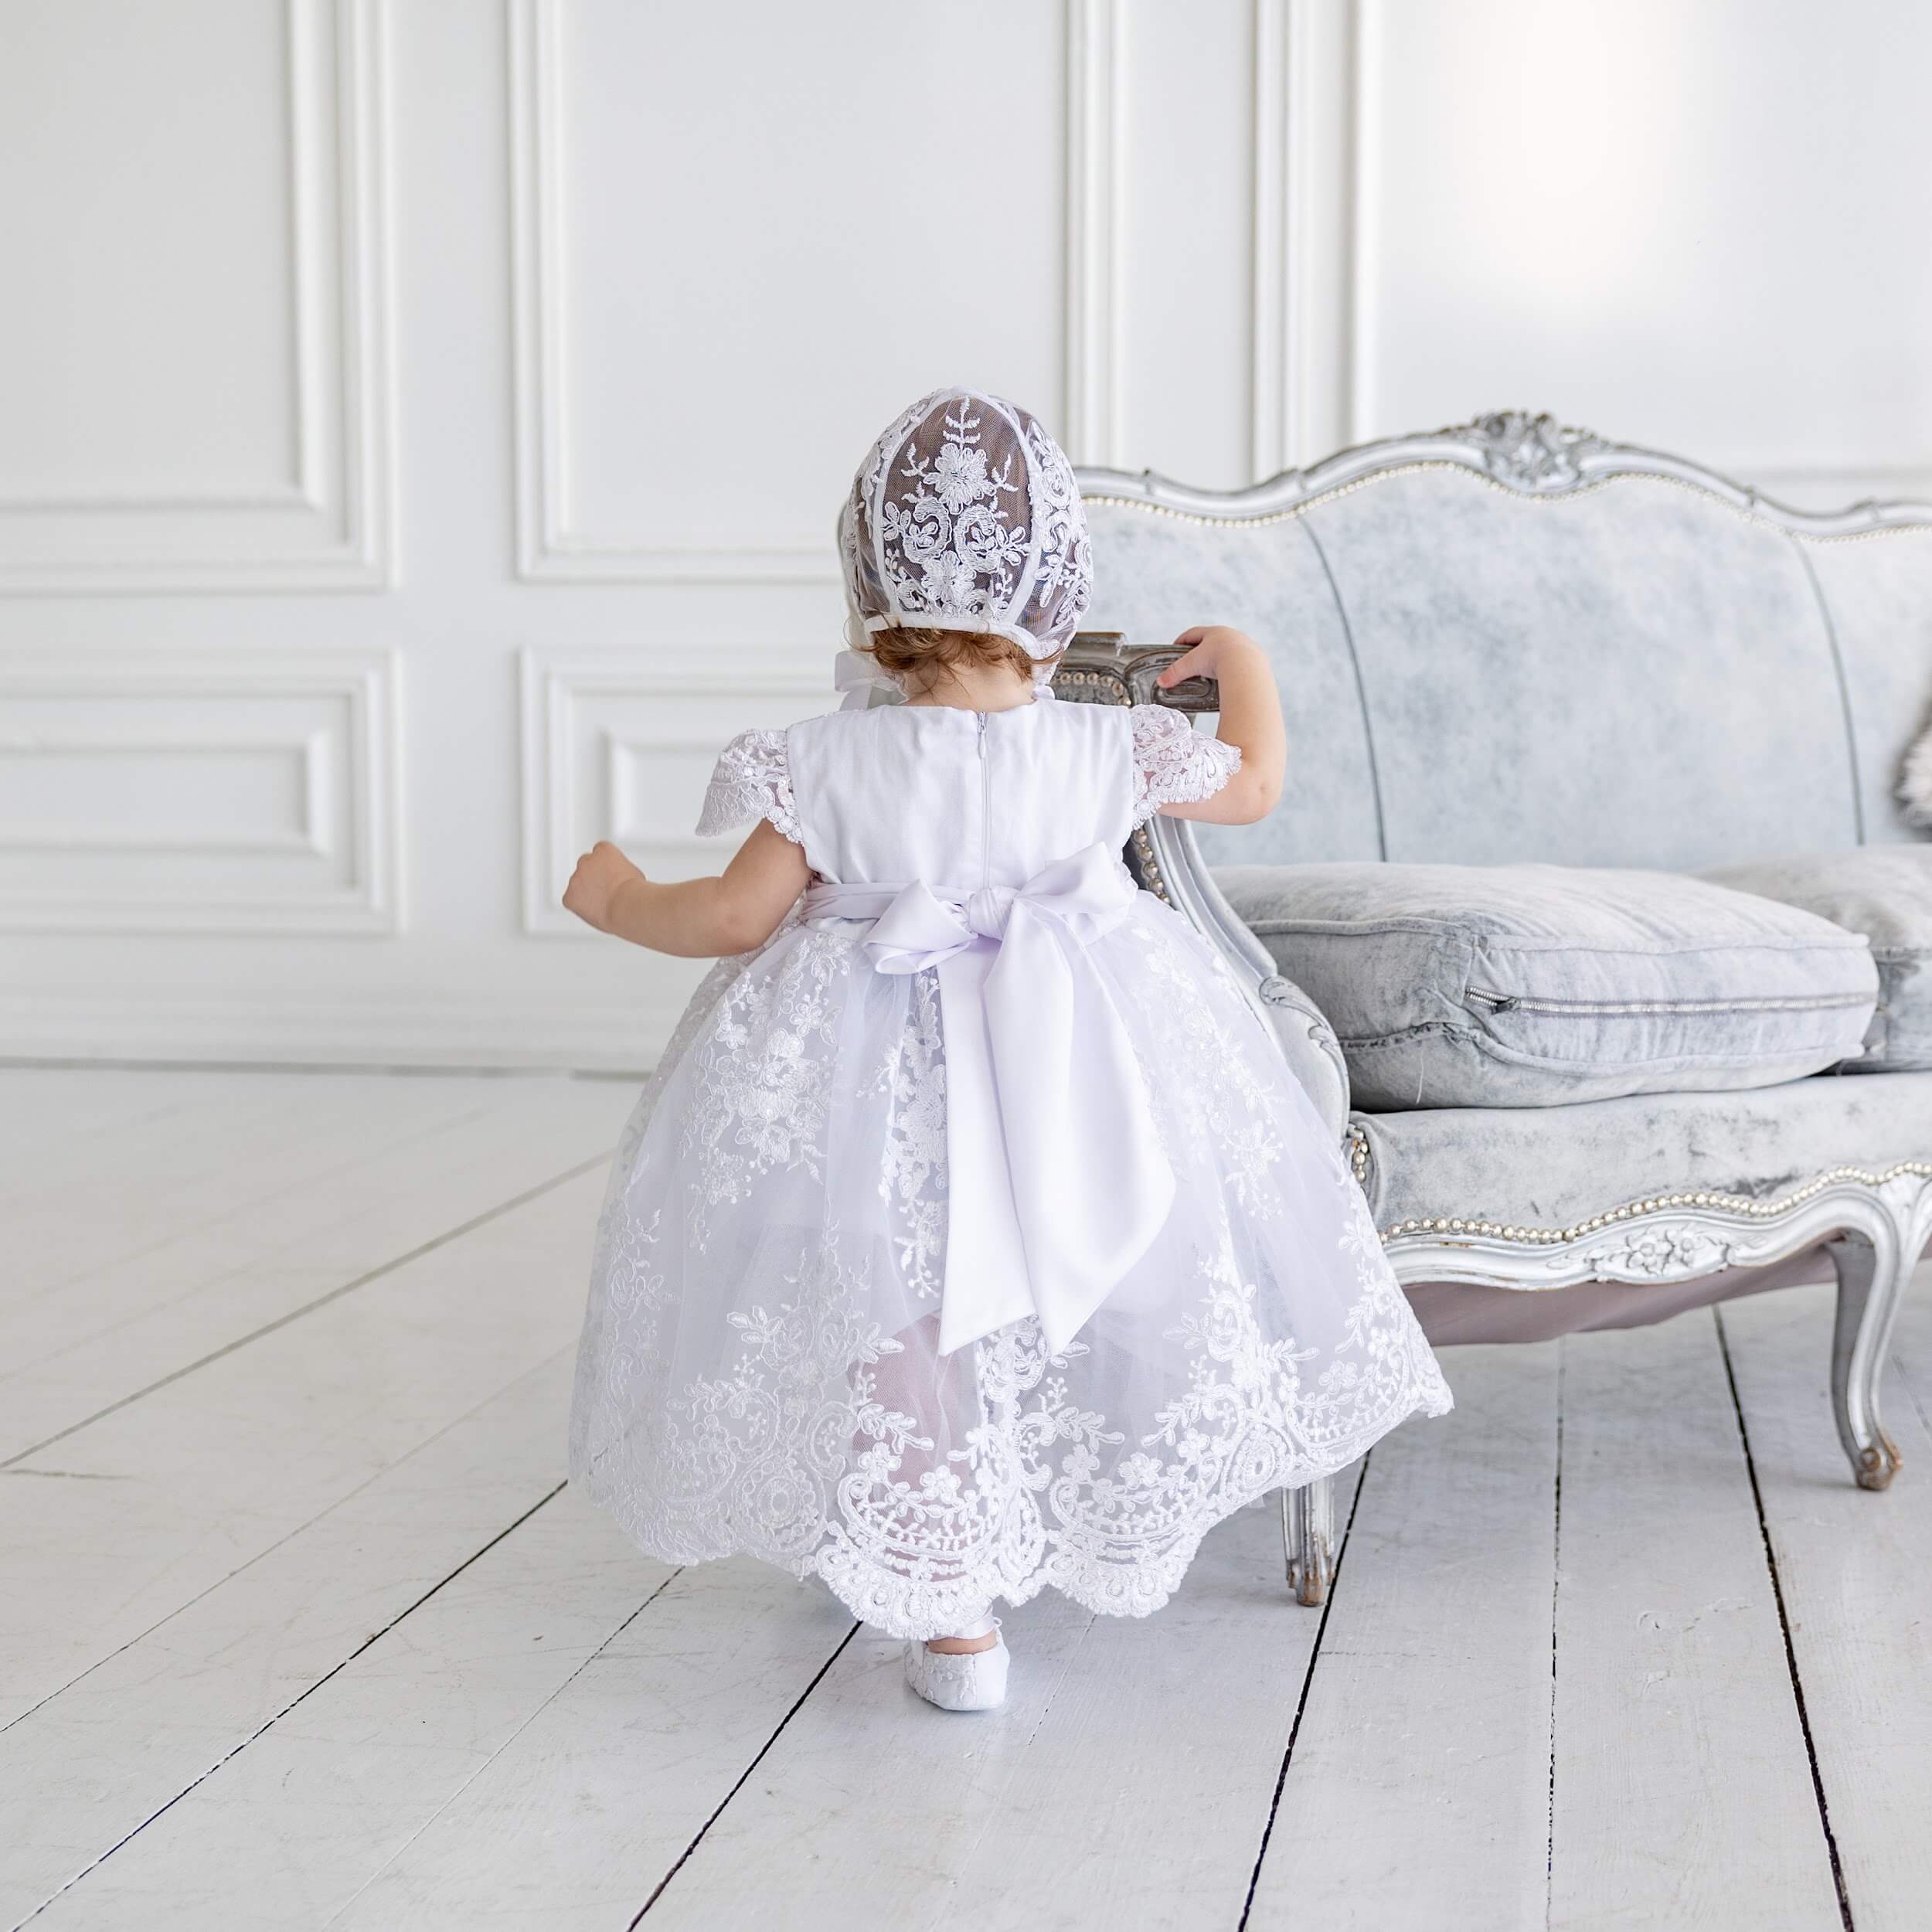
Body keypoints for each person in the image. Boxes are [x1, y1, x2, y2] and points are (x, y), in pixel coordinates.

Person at [563, 387, 1450, 1712]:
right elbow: (1255, 782)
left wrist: (617, 895)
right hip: (1075, 1059)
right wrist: (1244, 660)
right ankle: (1059, 1505)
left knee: (901, 1302)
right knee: (1068, 1270)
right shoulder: (1105, 744)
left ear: (871, 589)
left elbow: (732, 919)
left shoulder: (823, 763)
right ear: (1056, 584)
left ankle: (946, 1601)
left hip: (876, 1088)